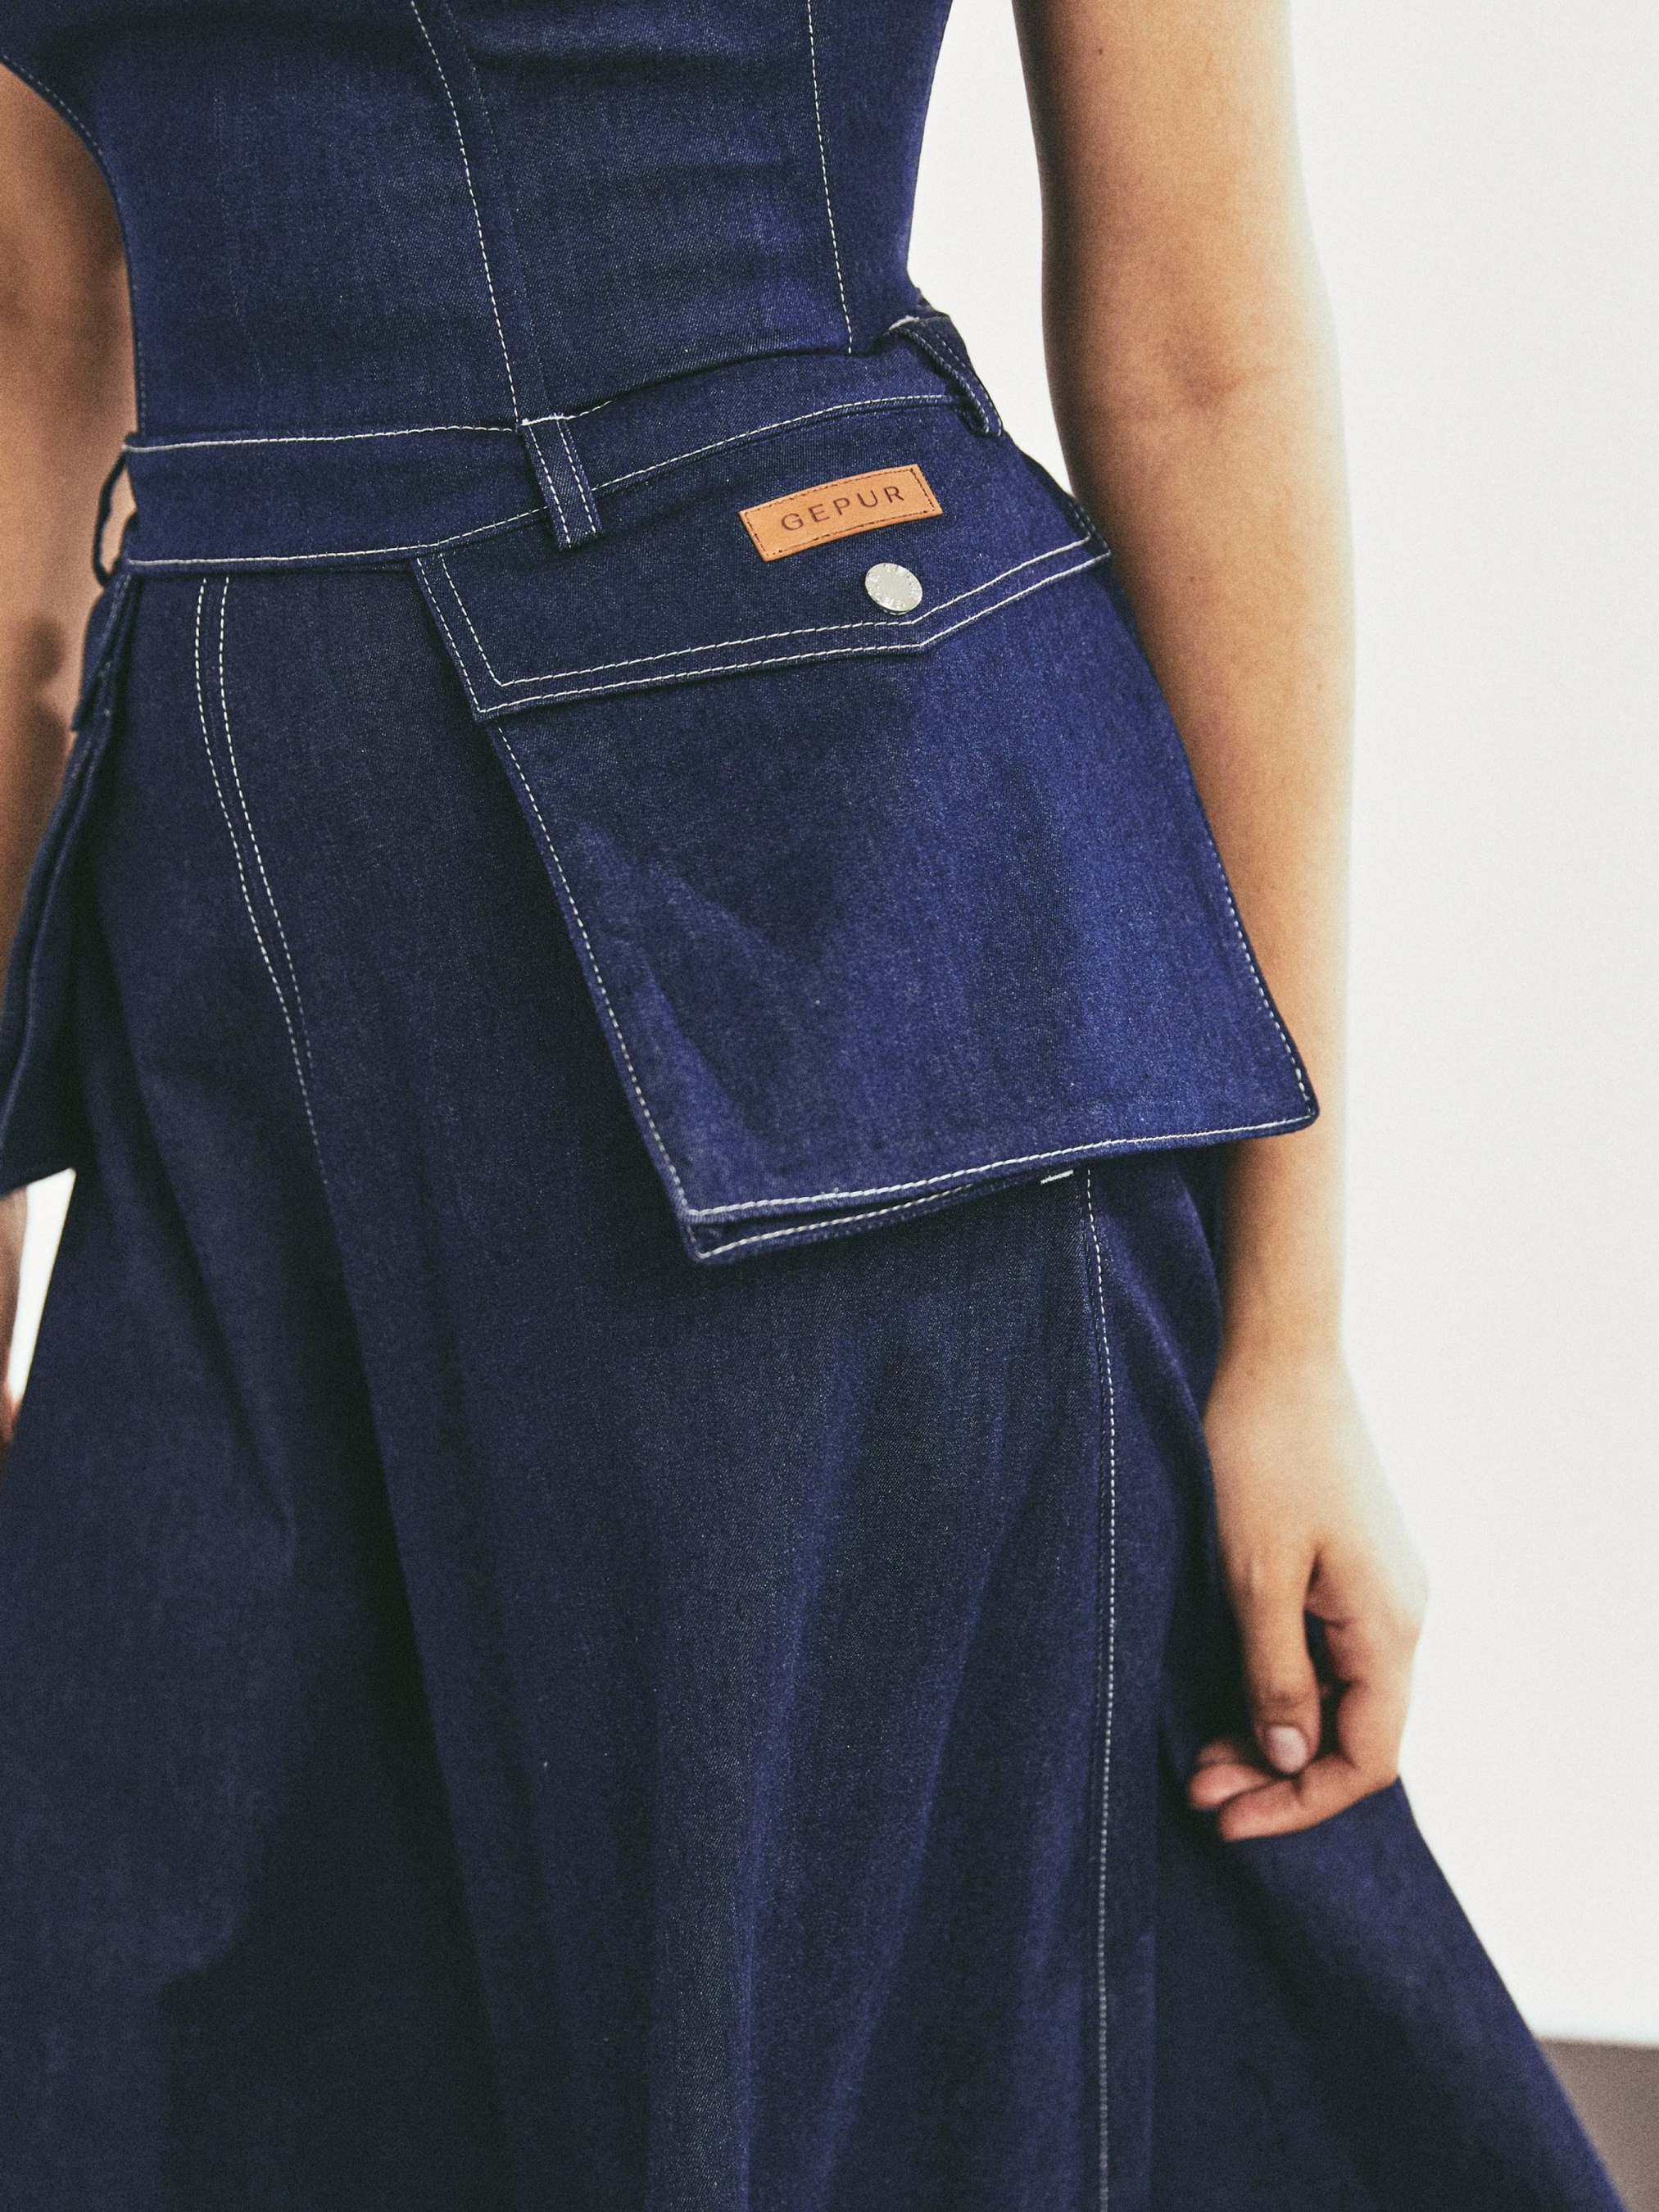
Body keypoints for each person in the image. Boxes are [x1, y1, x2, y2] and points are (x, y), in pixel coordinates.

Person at [0, 2, 1623, 2205]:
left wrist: (1286, 1325)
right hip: (232, 1018)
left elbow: (1202, 353)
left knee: (810, 2103)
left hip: (799, 960)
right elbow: (40, 342)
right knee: (134, 2035)